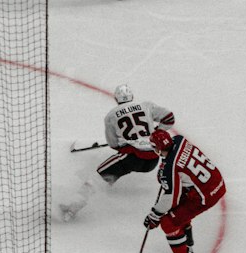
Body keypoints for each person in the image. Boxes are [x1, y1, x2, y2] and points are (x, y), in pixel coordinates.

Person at [58, 83, 176, 222]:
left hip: (131, 158)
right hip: (153, 159)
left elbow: (113, 144)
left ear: (116, 99)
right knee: (112, 170)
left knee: (97, 177)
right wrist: (156, 133)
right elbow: (169, 118)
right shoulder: (147, 106)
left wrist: (124, 144)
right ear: (132, 96)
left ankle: (72, 208)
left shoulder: (110, 116)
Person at [143, 127, 226, 253]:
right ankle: (187, 239)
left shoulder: (171, 168)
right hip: (216, 182)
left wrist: (155, 215)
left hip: (206, 196)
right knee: (179, 208)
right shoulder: (179, 139)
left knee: (168, 223)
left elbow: (170, 198)